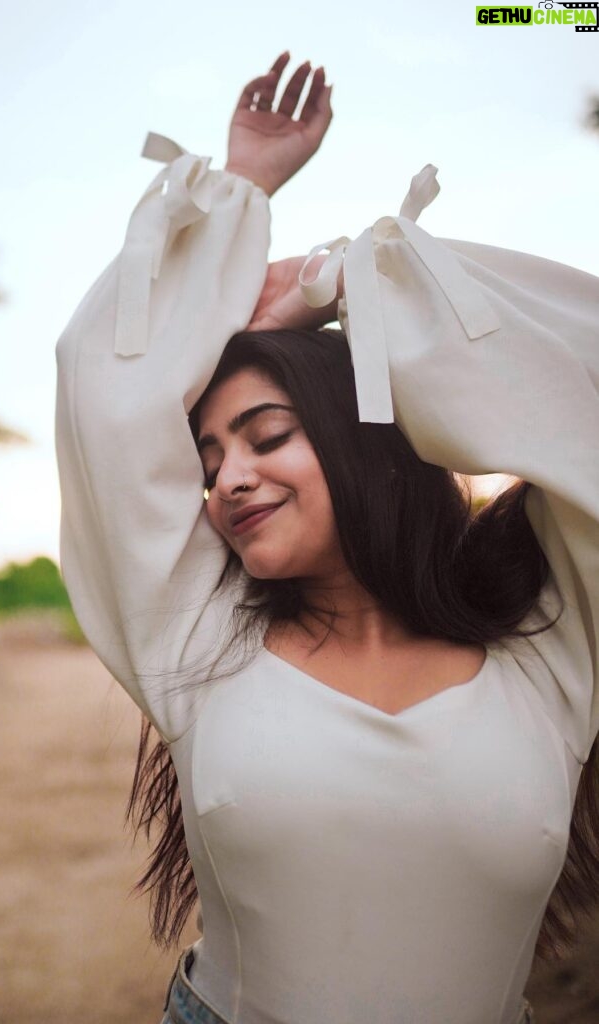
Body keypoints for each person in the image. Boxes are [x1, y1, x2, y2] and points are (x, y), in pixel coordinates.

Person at [55, 52, 599, 1024]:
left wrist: (346, 287)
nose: (228, 478)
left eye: (266, 436)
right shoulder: (191, 642)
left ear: (371, 448)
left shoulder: (548, 654)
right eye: (209, 458)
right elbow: (104, 395)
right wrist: (233, 198)